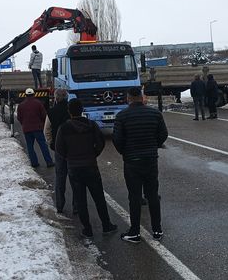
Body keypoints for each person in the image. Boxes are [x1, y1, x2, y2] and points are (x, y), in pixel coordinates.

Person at [113, 87, 168, 243]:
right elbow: (163, 134)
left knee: (134, 197)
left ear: (128, 98)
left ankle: (135, 231)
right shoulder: (155, 114)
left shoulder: (122, 116)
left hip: (132, 161)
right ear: (141, 97)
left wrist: (125, 151)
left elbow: (117, 139)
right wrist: (153, 145)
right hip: (150, 159)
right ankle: (157, 229)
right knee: (152, 195)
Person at [56, 99, 117, 238]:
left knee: (80, 199)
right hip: (90, 165)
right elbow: (100, 142)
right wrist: (93, 154)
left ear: (69, 111)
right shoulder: (91, 125)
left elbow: (59, 148)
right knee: (99, 197)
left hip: (74, 168)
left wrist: (69, 158)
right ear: (82, 109)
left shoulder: (64, 128)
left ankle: (87, 229)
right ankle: (106, 225)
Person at [44, 88, 78, 214]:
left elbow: (47, 130)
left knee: (60, 178)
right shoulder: (72, 111)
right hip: (74, 149)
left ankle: (60, 205)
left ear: (56, 98)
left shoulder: (51, 112)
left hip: (59, 150)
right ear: (67, 97)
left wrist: (51, 143)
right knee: (75, 179)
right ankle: (76, 206)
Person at [17, 88, 54, 168]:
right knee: (43, 145)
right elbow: (44, 115)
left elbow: (19, 117)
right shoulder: (38, 103)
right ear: (34, 94)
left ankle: (34, 163)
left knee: (30, 147)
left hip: (27, 129)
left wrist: (24, 124)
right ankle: (49, 162)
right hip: (38, 128)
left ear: (25, 95)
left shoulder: (21, 105)